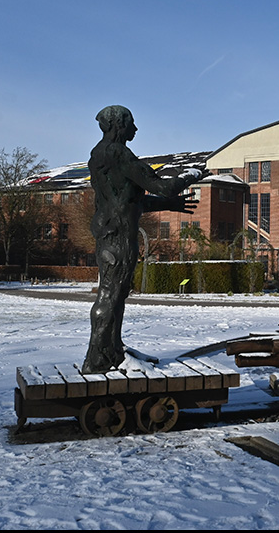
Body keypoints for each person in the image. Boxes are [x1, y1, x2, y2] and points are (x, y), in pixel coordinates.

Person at [81, 105, 202, 374]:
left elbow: (129, 202)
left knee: (117, 293)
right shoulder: (118, 154)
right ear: (118, 125)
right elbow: (164, 186)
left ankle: (113, 350)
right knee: (110, 294)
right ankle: (97, 359)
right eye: (130, 123)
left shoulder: (100, 156)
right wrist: (193, 174)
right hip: (119, 237)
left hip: (112, 233)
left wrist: (169, 205)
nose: (135, 129)